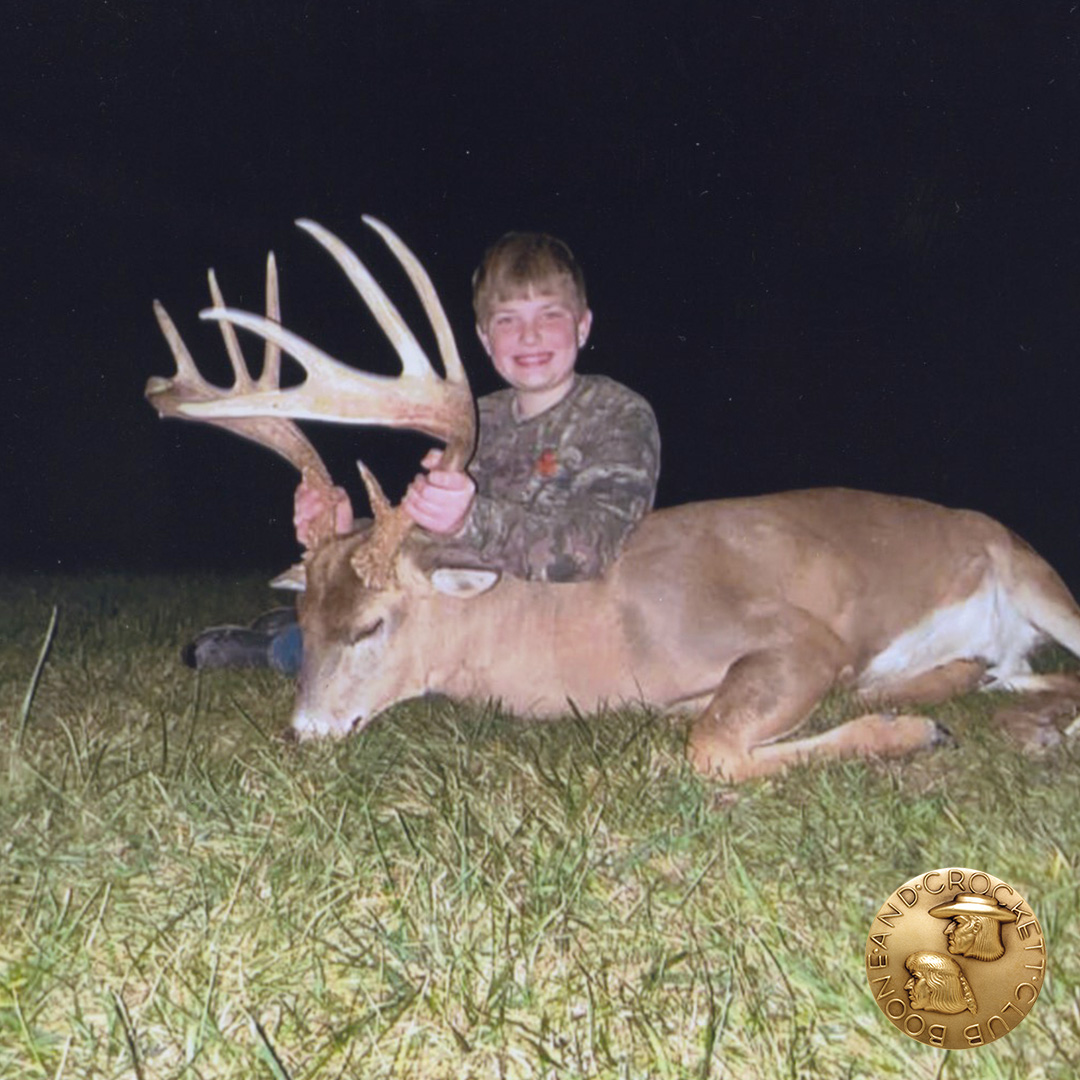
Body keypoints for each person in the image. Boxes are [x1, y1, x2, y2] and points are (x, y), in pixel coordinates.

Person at [185, 230, 660, 672]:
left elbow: (596, 548)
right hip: (469, 608)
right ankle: (303, 624)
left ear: (582, 326)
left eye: (549, 315)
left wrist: (468, 519)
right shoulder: (477, 420)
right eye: (508, 319)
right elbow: (427, 540)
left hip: (565, 629)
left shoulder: (618, 414)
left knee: (402, 658)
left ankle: (282, 649)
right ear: (484, 338)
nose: (529, 336)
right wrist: (346, 530)